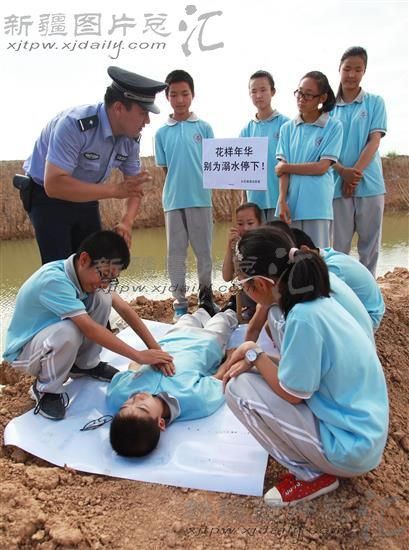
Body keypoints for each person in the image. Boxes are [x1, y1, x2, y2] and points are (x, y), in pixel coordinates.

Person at [223, 226, 388, 506]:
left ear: (260, 284)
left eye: (244, 286)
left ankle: (310, 474)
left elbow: (293, 394)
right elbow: (301, 370)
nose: (245, 292)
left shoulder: (302, 317)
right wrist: (258, 360)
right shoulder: (316, 296)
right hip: (364, 433)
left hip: (349, 448)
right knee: (254, 372)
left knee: (237, 389)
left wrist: (254, 354)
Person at [3, 231, 174, 421]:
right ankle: (45, 389)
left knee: (103, 297)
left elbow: (124, 308)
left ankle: (85, 365)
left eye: (111, 279)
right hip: (25, 352)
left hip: (50, 337)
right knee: (69, 331)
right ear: (84, 259)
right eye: (104, 275)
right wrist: (139, 356)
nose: (105, 284)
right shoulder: (53, 280)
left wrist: (155, 349)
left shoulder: (84, 276)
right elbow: (89, 329)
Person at [21, 66, 167, 264]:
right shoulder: (75, 125)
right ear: (118, 108)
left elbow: (133, 187)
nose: (147, 121)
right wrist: (114, 190)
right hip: (47, 198)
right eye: (142, 113)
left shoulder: (130, 139)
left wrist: (127, 221)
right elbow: (54, 185)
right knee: (59, 268)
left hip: (86, 197)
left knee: (95, 263)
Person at [107, 308, 238, 457]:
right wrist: (229, 359)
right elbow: (218, 378)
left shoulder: (117, 395)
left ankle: (205, 308)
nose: (136, 399)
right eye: (142, 407)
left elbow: (132, 367)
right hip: (208, 342)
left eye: (125, 406)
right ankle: (229, 309)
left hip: (172, 338)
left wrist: (142, 359)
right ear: (161, 423)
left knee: (191, 317)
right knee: (222, 319)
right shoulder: (196, 401)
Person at [154, 69, 218, 321]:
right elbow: (166, 169)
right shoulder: (161, 133)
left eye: (184, 93)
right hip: (173, 202)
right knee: (176, 255)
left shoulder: (204, 128)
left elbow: (212, 164)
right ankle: (179, 304)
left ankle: (206, 298)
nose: (179, 99)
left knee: (204, 253)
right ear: (167, 97)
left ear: (192, 95)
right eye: (174, 94)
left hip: (200, 199)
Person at [331, 47, 387, 276]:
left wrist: (353, 175)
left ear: (364, 71)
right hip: (337, 185)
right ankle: (340, 291)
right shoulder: (328, 109)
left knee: (369, 247)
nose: (352, 74)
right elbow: (323, 150)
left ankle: (368, 292)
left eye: (358, 69)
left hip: (369, 184)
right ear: (339, 69)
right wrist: (342, 172)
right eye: (347, 69)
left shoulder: (374, 102)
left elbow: (374, 141)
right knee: (338, 248)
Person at [275, 71, 343, 248]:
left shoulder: (333, 126)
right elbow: (282, 170)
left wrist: (287, 167)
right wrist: (282, 200)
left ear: (322, 97)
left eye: (308, 95)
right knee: (291, 255)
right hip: (291, 205)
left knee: (318, 254)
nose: (301, 98)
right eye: (299, 92)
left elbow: (321, 167)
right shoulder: (287, 128)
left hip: (317, 204)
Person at [291, 227, 385, 330]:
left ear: (304, 249)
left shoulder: (332, 270)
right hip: (373, 309)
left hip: (370, 319)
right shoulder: (327, 254)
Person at [239, 70, 289, 221]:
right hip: (255, 201)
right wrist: (244, 198)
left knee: (279, 236)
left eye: (263, 90)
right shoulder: (247, 130)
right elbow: (242, 169)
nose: (258, 95)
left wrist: (285, 197)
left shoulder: (286, 125)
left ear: (272, 92)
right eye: (254, 91)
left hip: (279, 198)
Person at [222, 202, 262, 321]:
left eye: (250, 223)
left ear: (260, 224)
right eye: (240, 224)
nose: (245, 228)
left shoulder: (265, 245)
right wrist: (229, 246)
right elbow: (227, 277)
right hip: (248, 304)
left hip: (265, 303)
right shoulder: (237, 246)